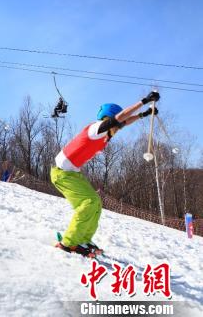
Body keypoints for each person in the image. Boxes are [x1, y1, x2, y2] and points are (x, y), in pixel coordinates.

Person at [52, 92, 160, 257]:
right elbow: (121, 118)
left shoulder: (106, 134)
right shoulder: (96, 129)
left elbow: (124, 121)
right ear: (108, 119)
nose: (118, 129)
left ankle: (84, 238)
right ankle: (68, 242)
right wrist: (144, 101)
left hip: (72, 173)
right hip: (62, 173)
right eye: (116, 125)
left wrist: (143, 114)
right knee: (88, 203)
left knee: (95, 203)